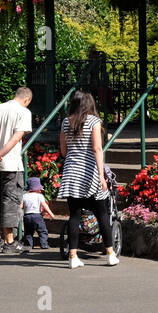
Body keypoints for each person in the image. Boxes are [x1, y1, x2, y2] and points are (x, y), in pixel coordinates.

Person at [58, 90, 118, 270]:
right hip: (90, 173)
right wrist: (101, 176)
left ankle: (73, 256)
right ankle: (109, 254)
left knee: (74, 215)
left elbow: (63, 151)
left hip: (71, 172)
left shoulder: (65, 122)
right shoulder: (94, 121)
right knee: (102, 214)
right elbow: (97, 149)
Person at [0, 87, 33, 254]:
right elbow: (17, 137)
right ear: (27, 100)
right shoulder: (23, 112)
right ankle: (10, 243)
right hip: (11, 165)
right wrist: (0, 155)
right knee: (10, 202)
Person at [21, 176, 56, 251]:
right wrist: (51, 214)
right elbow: (45, 206)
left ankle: (28, 246)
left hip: (27, 216)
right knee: (42, 231)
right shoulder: (40, 196)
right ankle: (44, 244)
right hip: (37, 216)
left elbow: (21, 206)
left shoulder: (24, 196)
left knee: (28, 232)